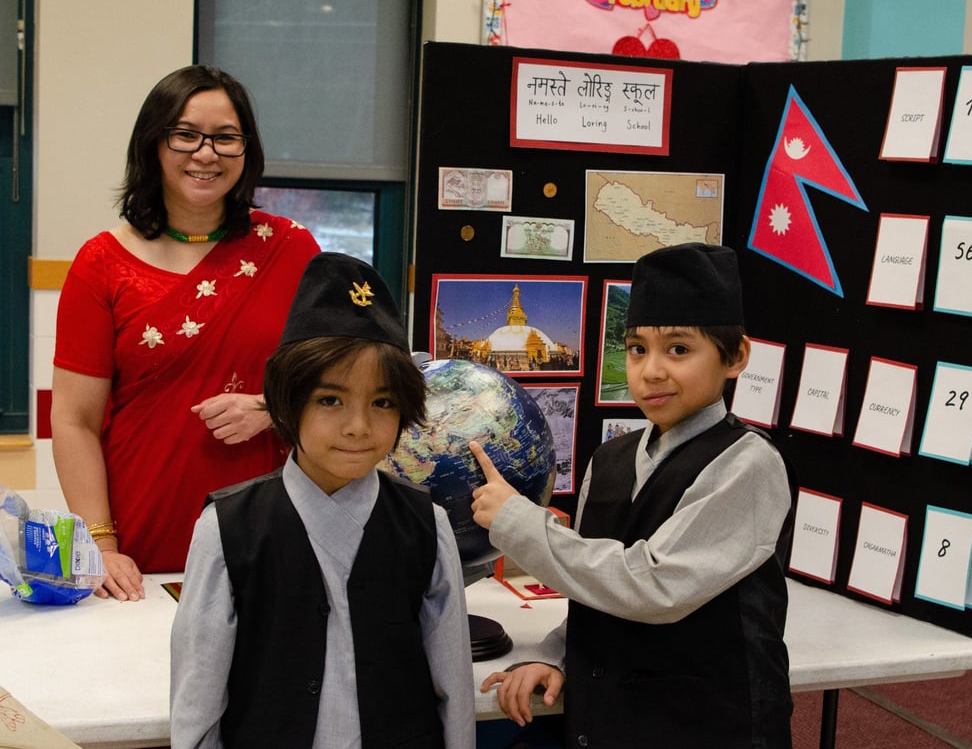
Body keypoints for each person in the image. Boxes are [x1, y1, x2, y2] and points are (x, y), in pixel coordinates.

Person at [470, 242, 796, 748]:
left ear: (736, 357)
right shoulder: (612, 459)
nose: (651, 371)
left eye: (679, 349)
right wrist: (554, 652)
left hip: (707, 727)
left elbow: (653, 585)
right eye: (637, 348)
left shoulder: (748, 463)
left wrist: (517, 522)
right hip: (609, 723)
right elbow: (598, 589)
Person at [170, 252, 475, 749]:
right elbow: (198, 695)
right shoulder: (228, 527)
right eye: (330, 400)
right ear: (287, 403)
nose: (358, 426)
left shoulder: (427, 524)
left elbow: (452, 685)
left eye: (382, 403)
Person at [50, 65, 320, 601]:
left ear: (247, 150)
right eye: (186, 135)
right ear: (154, 143)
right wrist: (101, 546)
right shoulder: (102, 263)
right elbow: (73, 419)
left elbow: (343, 382)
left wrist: (272, 409)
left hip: (269, 535)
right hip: (138, 546)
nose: (206, 153)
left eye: (226, 137)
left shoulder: (290, 249)